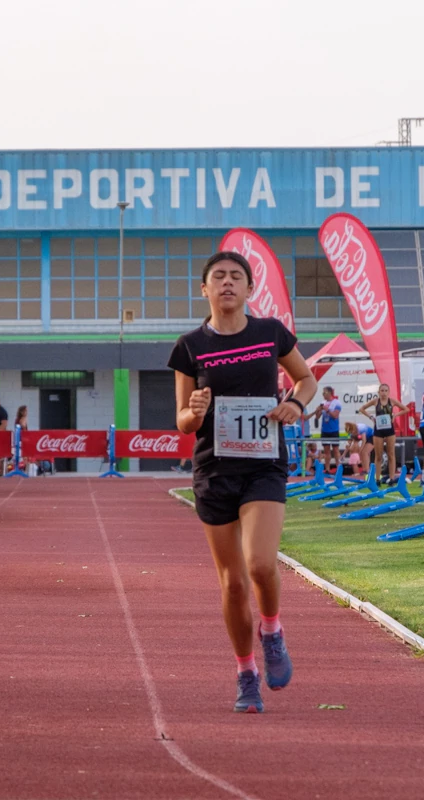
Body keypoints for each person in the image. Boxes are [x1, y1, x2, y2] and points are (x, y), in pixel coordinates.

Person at [168, 250, 316, 714]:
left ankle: (271, 630)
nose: (228, 283)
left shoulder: (270, 332)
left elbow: (307, 379)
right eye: (219, 277)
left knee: (259, 564)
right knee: (232, 584)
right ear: (204, 289)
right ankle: (245, 672)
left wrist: (295, 403)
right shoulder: (189, 346)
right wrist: (193, 411)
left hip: (263, 464)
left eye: (237, 277)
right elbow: (182, 423)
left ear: (250, 289)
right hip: (214, 469)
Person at [359, 383, 408, 484]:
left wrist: (395, 415)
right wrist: (371, 417)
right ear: (379, 392)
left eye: (386, 391)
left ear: (389, 392)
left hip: (390, 430)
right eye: (382, 390)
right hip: (378, 430)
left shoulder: (392, 401)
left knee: (391, 454)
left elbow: (406, 409)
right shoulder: (375, 401)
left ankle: (391, 478)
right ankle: (377, 479)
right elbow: (362, 409)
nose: (384, 393)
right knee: (378, 455)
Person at [313, 387, 343, 473]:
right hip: (325, 430)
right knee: (326, 450)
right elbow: (317, 417)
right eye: (323, 393)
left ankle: (338, 468)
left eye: (325, 393)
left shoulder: (337, 403)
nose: (323, 395)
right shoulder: (323, 403)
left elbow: (335, 416)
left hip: (334, 430)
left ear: (330, 393)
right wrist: (318, 410)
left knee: (336, 450)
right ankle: (327, 468)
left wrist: (328, 410)